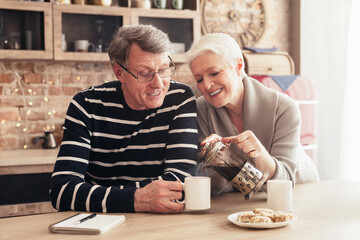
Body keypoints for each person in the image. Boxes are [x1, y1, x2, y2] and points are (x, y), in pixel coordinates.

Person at [50, 25, 198, 213]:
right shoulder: (86, 105)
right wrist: (136, 199)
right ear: (119, 73)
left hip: (160, 223)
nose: (159, 84)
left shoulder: (179, 98)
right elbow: (62, 191)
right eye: (145, 73)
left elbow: (181, 182)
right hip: (98, 224)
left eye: (163, 69)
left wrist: (106, 197)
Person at [186, 33, 319, 195]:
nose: (206, 85)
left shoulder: (284, 108)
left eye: (214, 73)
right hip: (240, 202)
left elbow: (284, 181)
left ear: (238, 66)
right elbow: (213, 186)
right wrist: (218, 158)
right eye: (199, 79)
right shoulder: (201, 110)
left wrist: (260, 155)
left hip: (300, 192)